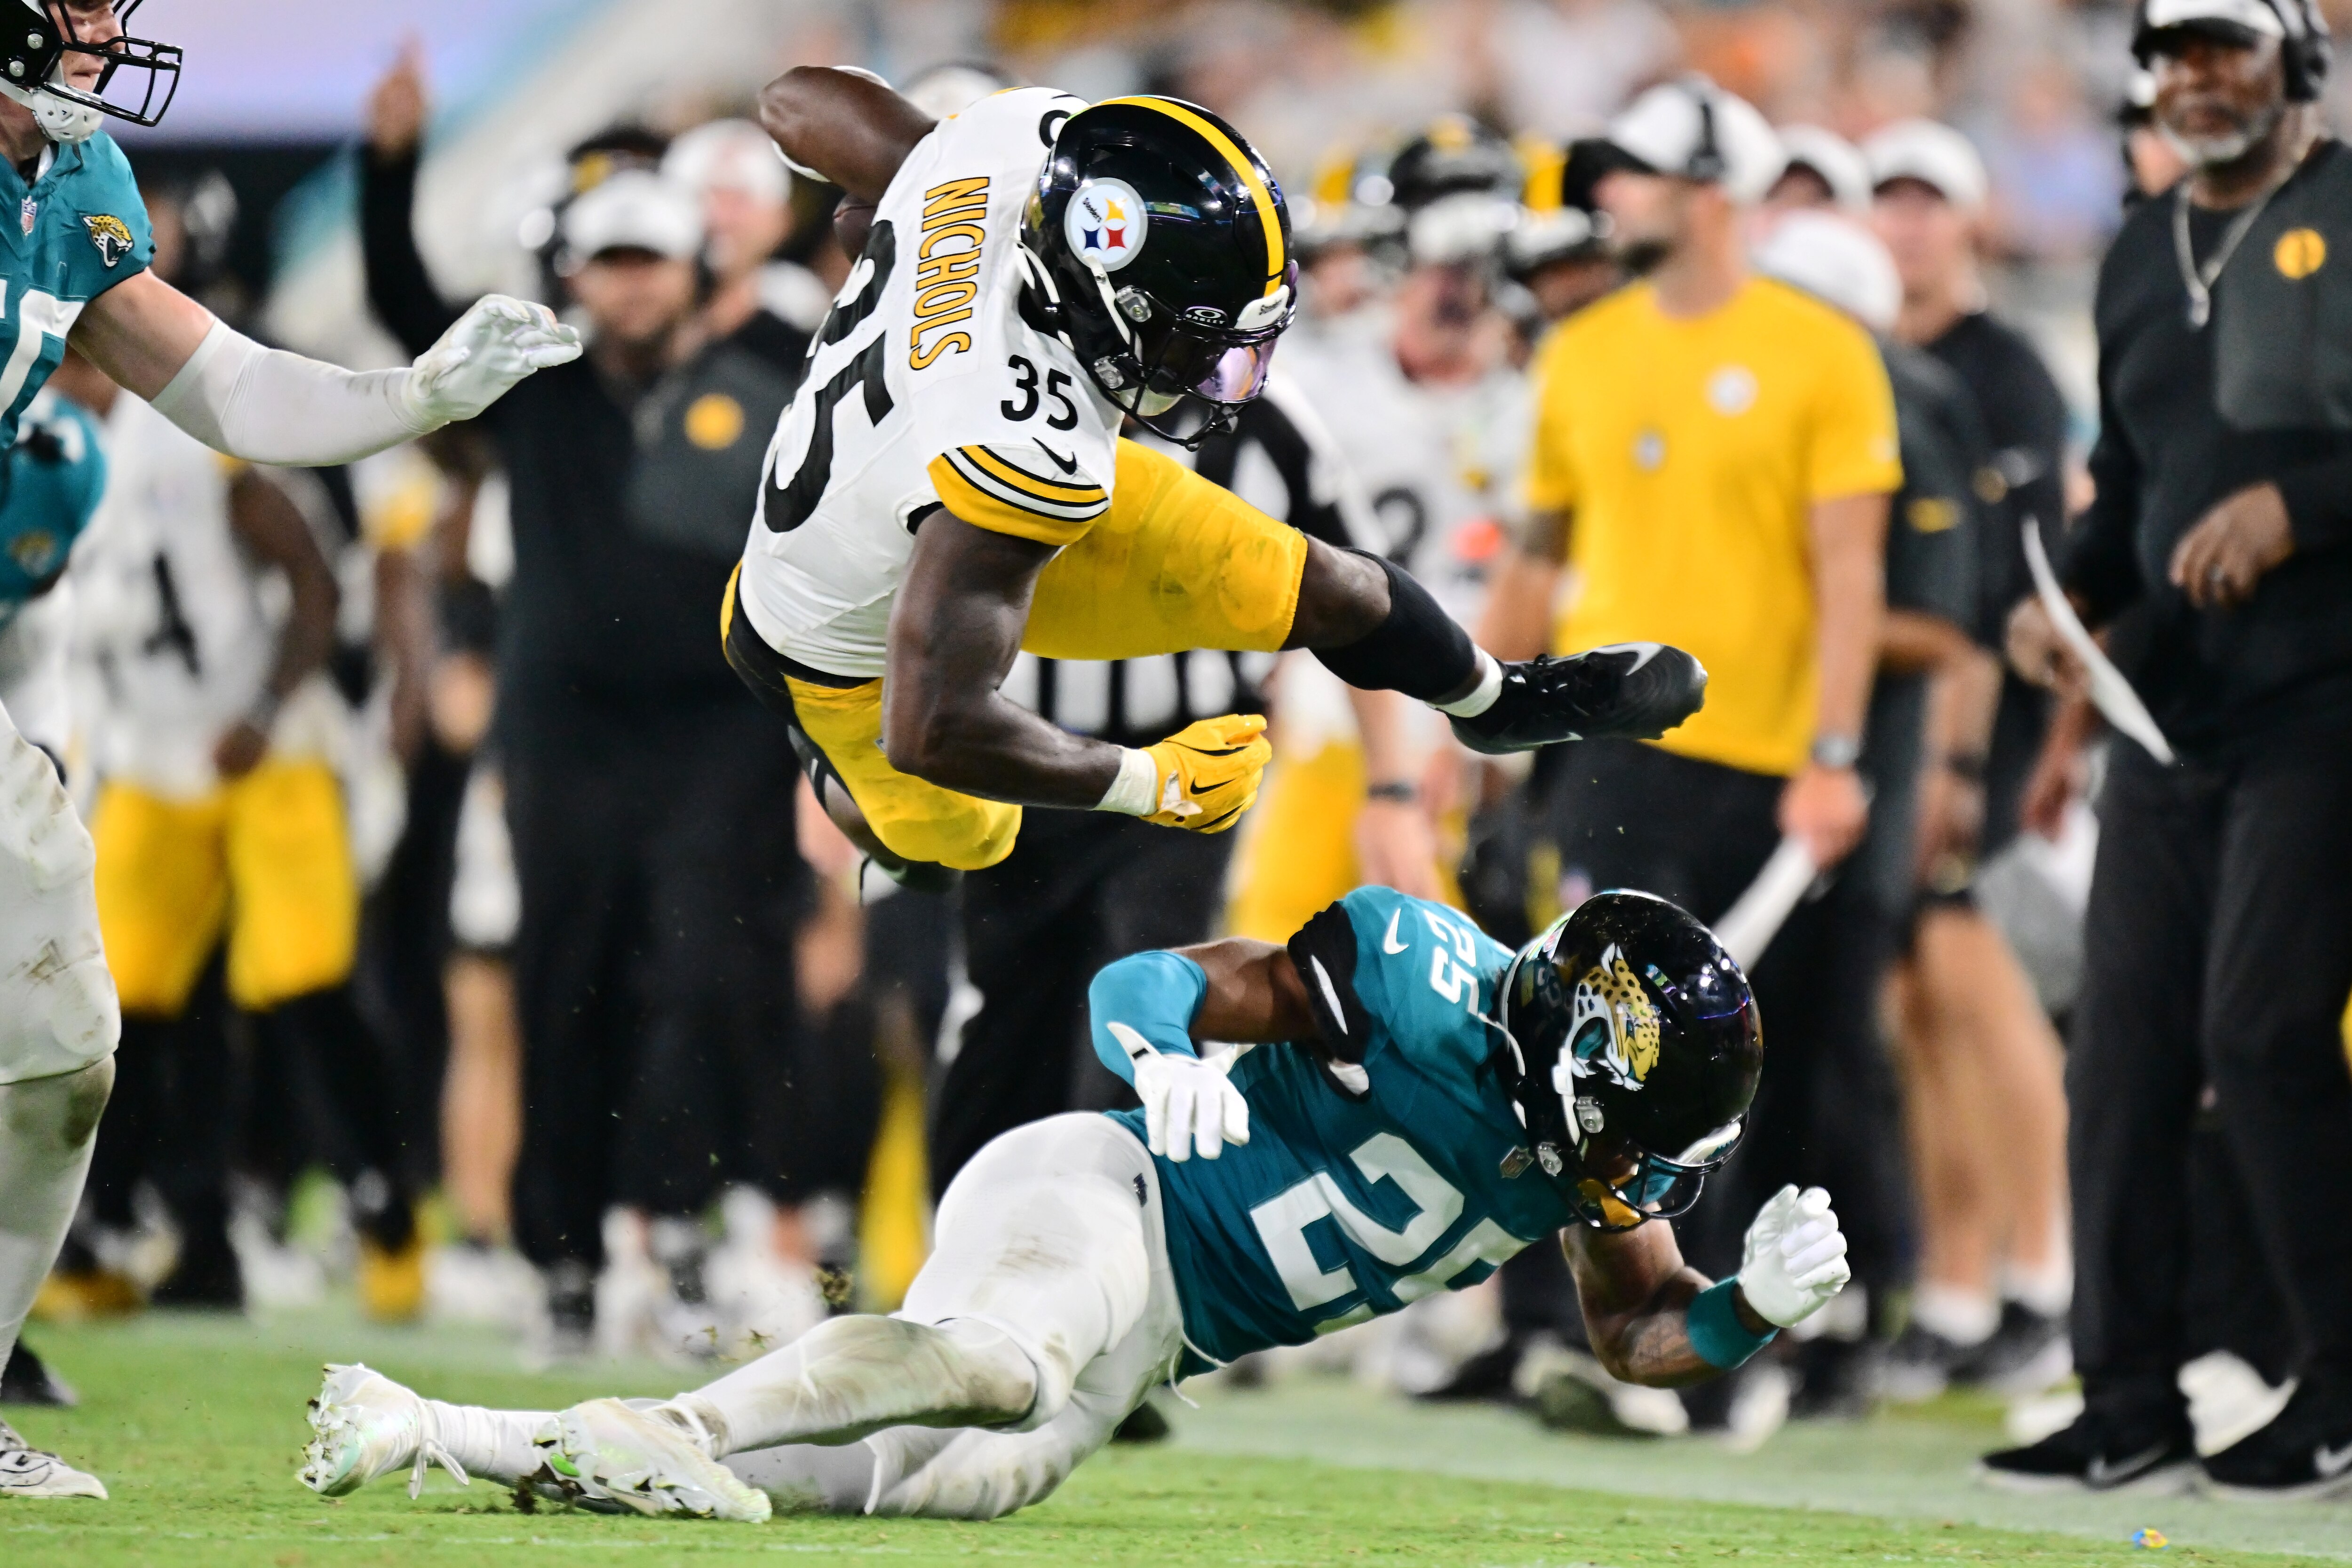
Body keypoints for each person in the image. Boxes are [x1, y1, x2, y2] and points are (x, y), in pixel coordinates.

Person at [297, 888, 1852, 1523]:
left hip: (1154, 1342)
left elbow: (1643, 1330)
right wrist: (1159, 1056)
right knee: (1004, 1358)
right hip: (1104, 1188)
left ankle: (429, 1426)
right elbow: (1153, 980)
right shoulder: (1414, 978)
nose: (1631, 1175)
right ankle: (681, 1433)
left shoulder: (1605, 1149)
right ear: (1579, 1047)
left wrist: (1747, 1312)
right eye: (1636, 1131)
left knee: (883, 1485)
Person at [0, 0, 577, 1502]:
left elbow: (226, 384)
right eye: (71, 12)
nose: (98, 39)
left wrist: (420, 396)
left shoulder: (70, 186)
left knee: (61, 1055)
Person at [723, 70, 1708, 897]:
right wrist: (1145, 784)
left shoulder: (1014, 151)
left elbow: (790, 98)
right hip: (832, 642)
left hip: (942, 484)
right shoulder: (1010, 441)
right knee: (965, 841)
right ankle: (842, 789)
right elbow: (933, 723)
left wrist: (913, 182)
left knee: (1317, 579)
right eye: (1198, 340)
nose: (1215, 377)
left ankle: (1498, 700)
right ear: (1105, 293)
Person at [358, 87, 820, 1355]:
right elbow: (407, 318)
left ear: (695, 269)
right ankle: (560, 1257)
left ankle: (670, 1236)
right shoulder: (538, 387)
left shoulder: (770, 379)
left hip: (716, 731)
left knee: (700, 974)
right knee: (566, 988)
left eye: (648, 262)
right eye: (607, 263)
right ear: (576, 271)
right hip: (562, 731)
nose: (626, 289)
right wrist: (387, 172)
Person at [1481, 78, 1900, 1420]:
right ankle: (1612, 1324)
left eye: (1641, 176)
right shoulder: (1586, 347)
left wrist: (1836, 749)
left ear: (1713, 188)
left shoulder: (1821, 350)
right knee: (1591, 1050)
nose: (1612, 196)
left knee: (1750, 1060)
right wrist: (1473, 718)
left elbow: (1851, 572)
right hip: (1610, 751)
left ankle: (1746, 1342)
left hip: (1769, 751)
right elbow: (1538, 557)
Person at [1987, 0, 2352, 1499]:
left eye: (2231, 48)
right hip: (2165, 710)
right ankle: (2125, 1393)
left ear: (2300, 66)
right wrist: (2067, 600)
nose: (2200, 77)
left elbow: (2276, 482)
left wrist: (2305, 507)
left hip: (2327, 699)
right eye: (2179, 51)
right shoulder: (2143, 248)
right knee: (2121, 1060)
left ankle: (2336, 1384)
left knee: (2265, 1037)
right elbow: (2130, 487)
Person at [1862, 118, 2074, 1400]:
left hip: (1991, 716)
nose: (1907, 224)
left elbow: (2029, 586)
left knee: (1979, 986)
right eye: (1887, 201)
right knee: (1921, 1003)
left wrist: (1988, 750)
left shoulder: (2007, 370)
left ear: (1970, 219)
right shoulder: (1878, 363)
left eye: (1925, 200)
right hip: (1913, 719)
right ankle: (1957, 1281)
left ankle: (2046, 1278)